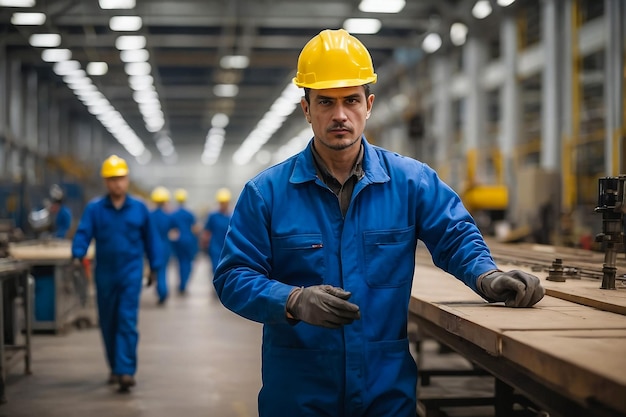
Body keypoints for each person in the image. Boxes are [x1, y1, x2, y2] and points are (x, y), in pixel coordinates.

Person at [213, 29, 545, 417]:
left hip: (384, 390)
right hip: (299, 392)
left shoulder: (411, 182)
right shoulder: (266, 193)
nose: (340, 115)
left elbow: (454, 236)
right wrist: (293, 300)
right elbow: (233, 277)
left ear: (368, 105)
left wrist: (486, 275)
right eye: (325, 102)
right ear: (306, 109)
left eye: (351, 100)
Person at [71, 155, 163, 393]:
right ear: (106, 182)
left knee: (126, 320)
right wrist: (77, 252)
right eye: (112, 179)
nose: (117, 184)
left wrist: (154, 267)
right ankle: (115, 366)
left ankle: (125, 371)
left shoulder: (140, 208)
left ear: (127, 179)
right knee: (108, 322)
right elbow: (83, 233)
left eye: (120, 178)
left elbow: (151, 239)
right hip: (105, 275)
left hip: (130, 273)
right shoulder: (95, 209)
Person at [149, 186, 176, 304]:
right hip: (165, 246)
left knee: (157, 270)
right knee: (163, 270)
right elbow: (174, 232)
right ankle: (163, 291)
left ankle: (161, 291)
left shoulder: (149, 216)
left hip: (153, 246)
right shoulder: (168, 216)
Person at [170, 188, 199, 294]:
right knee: (187, 262)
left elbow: (171, 230)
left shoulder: (173, 214)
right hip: (188, 240)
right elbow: (195, 228)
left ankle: (181, 283)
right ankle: (184, 283)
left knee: (180, 262)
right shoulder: (189, 214)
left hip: (178, 241)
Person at [201, 188, 232, 276]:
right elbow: (207, 231)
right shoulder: (213, 216)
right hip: (215, 247)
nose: (223, 205)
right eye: (222, 203)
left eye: (225, 202)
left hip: (227, 247)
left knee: (227, 269)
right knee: (216, 268)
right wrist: (204, 243)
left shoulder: (232, 216)